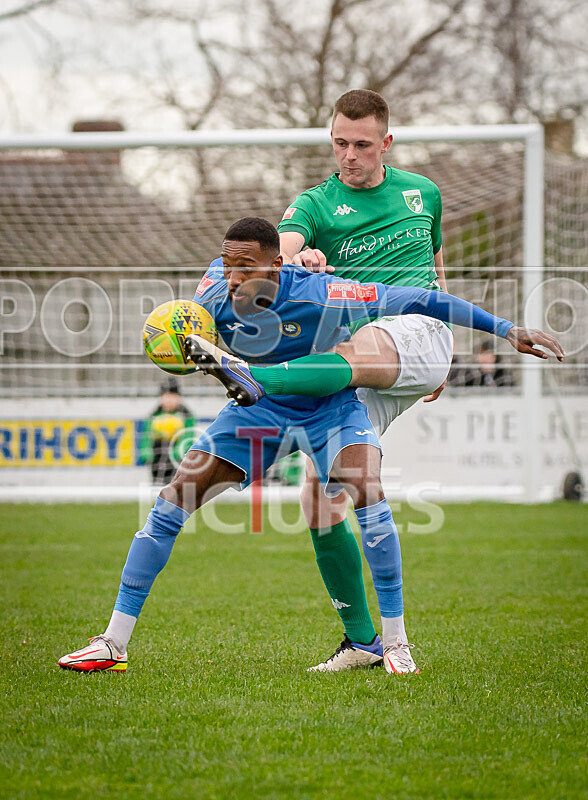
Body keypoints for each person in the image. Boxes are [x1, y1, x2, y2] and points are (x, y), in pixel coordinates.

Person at [55, 218, 562, 676]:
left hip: (330, 408)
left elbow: (421, 300)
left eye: (245, 266)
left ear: (277, 265)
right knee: (173, 501)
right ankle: (113, 642)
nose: (232, 277)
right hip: (257, 409)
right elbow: (192, 333)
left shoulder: (324, 291)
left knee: (367, 492)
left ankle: (395, 643)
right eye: (227, 263)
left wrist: (506, 329)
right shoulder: (212, 289)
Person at [270, 87, 463, 670]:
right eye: (338, 143)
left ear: (386, 142)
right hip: (365, 361)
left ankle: (264, 381)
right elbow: (282, 247)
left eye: (360, 144)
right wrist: (298, 259)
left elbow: (435, 270)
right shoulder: (316, 203)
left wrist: (449, 345)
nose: (348, 155)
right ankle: (365, 642)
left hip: (416, 334)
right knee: (321, 496)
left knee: (347, 355)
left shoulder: (421, 192)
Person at [140, 378, 197, 484]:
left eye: (172, 396)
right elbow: (146, 437)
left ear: (179, 398)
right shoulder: (154, 416)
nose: (169, 400)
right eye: (166, 396)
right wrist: (146, 452)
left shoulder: (186, 416)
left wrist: (180, 452)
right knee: (157, 484)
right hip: (158, 455)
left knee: (176, 484)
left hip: (177, 458)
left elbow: (188, 436)